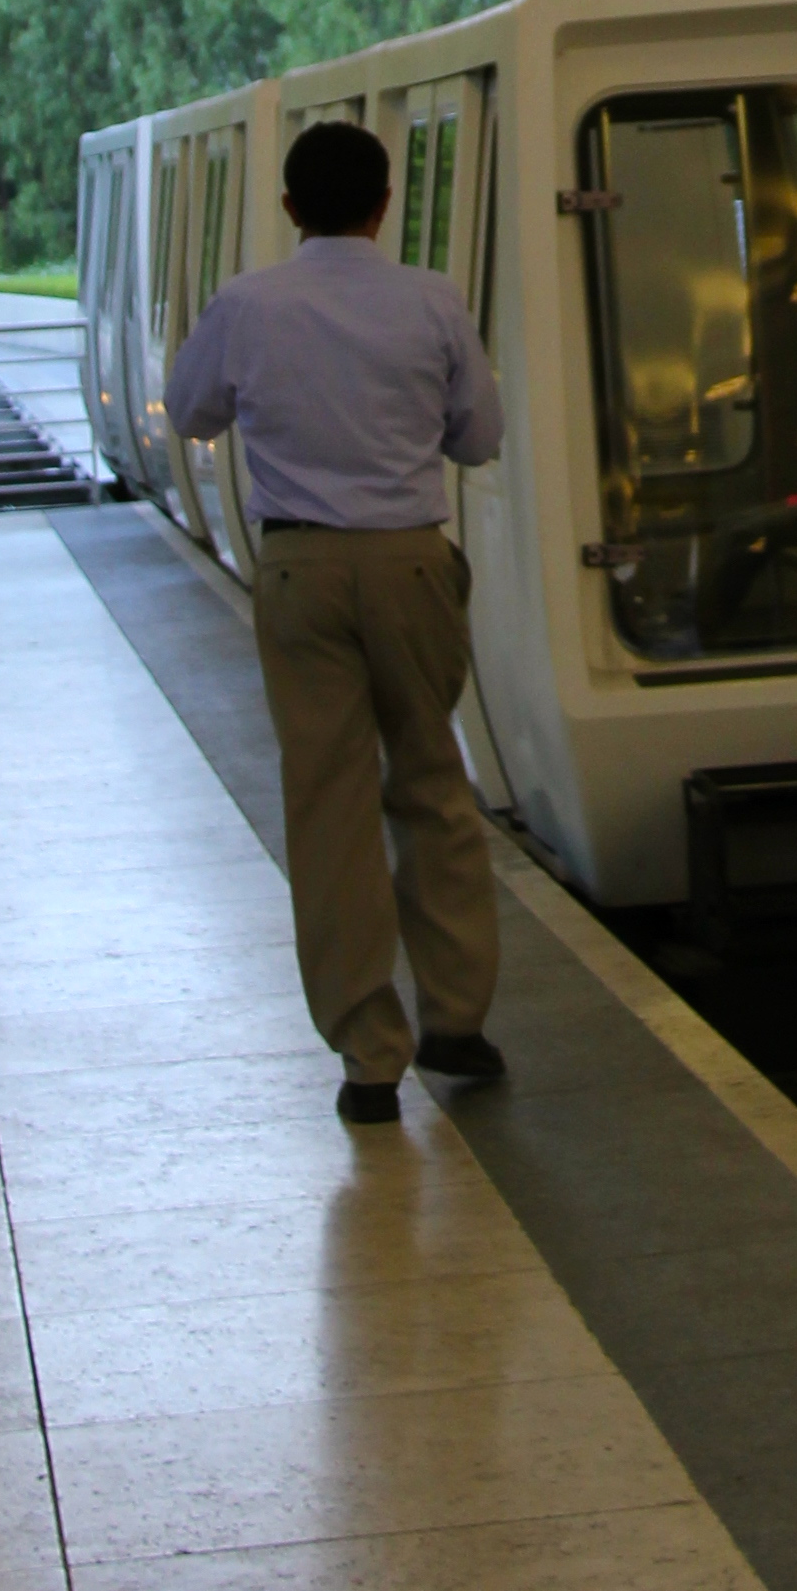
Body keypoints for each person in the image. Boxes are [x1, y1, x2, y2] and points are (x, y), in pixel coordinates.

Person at [166, 118, 509, 1128]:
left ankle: (369, 1058)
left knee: (329, 805)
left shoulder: (248, 304)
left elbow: (189, 413)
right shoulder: (433, 300)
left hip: (301, 570)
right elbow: (478, 437)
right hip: (411, 564)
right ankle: (457, 1018)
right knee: (432, 782)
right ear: (384, 204)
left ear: (288, 207)